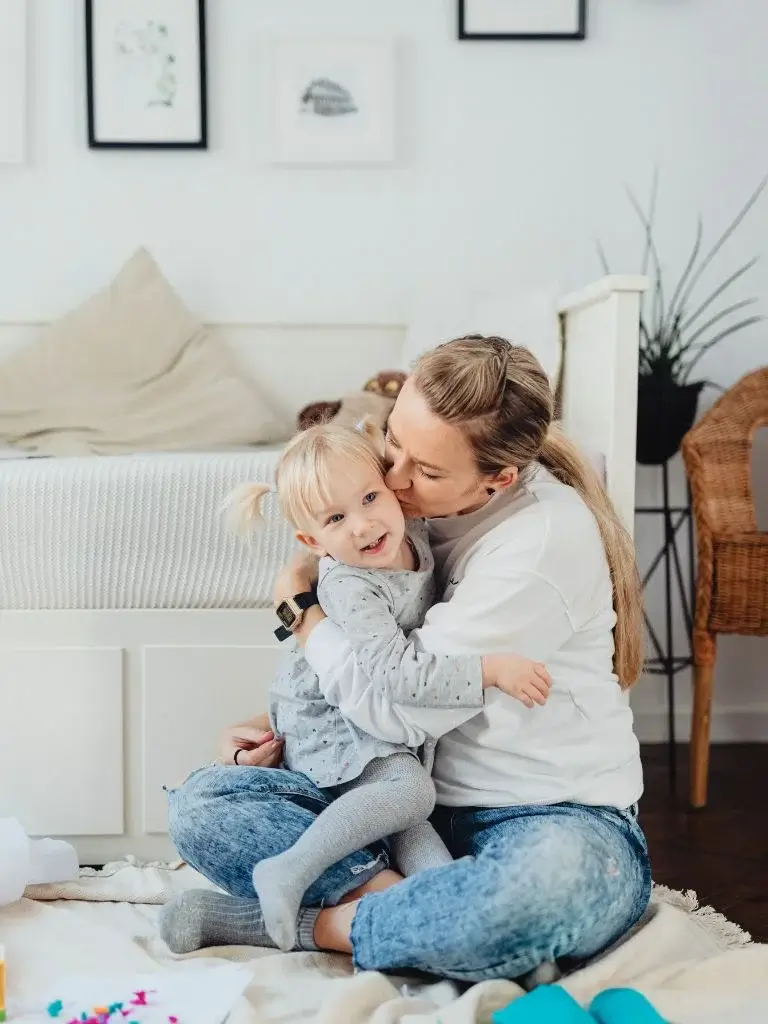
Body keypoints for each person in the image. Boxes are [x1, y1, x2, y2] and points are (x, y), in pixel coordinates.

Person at [161, 336, 651, 985]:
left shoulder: (536, 548)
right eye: (394, 442)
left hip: (547, 815)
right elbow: (380, 653)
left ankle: (313, 925)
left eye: (424, 470)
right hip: (407, 806)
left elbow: (396, 710)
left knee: (541, 891)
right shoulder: (411, 512)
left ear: (497, 478)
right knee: (202, 806)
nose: (391, 481)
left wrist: (300, 615)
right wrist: (282, 724)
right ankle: (417, 908)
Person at [220, 419, 549, 950]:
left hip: (376, 728)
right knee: (411, 792)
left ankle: (483, 943)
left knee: (434, 872)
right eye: (336, 518)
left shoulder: (408, 531)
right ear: (312, 540)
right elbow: (396, 674)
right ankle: (289, 869)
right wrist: (490, 670)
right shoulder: (351, 585)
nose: (363, 525)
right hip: (331, 726)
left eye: (370, 497)